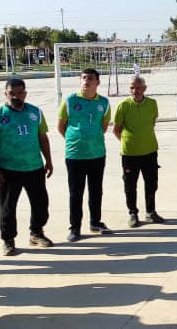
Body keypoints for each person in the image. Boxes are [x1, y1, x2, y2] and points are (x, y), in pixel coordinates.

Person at [0, 78, 55, 256]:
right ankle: (8, 240)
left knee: (41, 204)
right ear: (5, 94)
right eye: (12, 93)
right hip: (8, 169)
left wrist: (48, 160)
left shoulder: (35, 112)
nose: (16, 96)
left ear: (25, 93)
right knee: (7, 208)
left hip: (34, 167)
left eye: (19, 93)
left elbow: (43, 138)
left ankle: (36, 233)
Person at [58, 68, 112, 242]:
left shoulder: (104, 103)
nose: (86, 81)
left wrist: (91, 140)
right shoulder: (70, 101)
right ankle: (75, 228)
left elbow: (103, 127)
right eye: (83, 78)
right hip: (75, 155)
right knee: (76, 193)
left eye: (90, 78)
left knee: (96, 191)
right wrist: (76, 139)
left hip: (97, 154)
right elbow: (61, 127)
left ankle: (95, 222)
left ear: (97, 82)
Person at [113, 76, 165, 228]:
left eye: (137, 87)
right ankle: (132, 213)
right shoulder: (123, 106)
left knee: (151, 184)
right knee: (130, 186)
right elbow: (116, 130)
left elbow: (152, 123)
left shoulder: (152, 104)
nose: (134, 91)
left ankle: (151, 212)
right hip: (130, 154)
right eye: (132, 88)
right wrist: (127, 142)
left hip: (150, 151)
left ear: (144, 88)